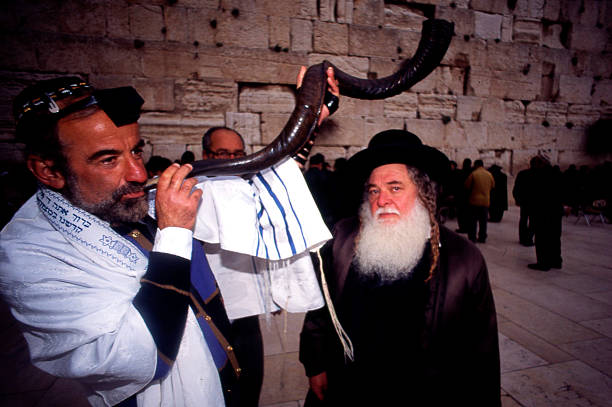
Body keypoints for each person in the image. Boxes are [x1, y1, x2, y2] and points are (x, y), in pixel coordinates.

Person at [1, 68, 340, 406]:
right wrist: (175, 231)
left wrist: (310, 116)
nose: (137, 173)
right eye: (108, 160)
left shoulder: (139, 199)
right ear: (48, 170)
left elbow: (256, 194)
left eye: (136, 151)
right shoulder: (31, 255)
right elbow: (135, 357)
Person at [299, 130, 501, 406]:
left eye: (395, 188)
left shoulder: (464, 259)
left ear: (423, 192)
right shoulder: (343, 239)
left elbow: (482, 351)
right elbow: (320, 309)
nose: (382, 201)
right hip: (349, 387)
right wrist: (316, 363)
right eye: (374, 190)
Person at [200, 125, 263, 407]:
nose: (232, 161)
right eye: (223, 154)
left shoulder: (251, 189)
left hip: (247, 312)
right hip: (209, 313)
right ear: (206, 155)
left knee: (250, 383)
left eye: (238, 154)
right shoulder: (192, 193)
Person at [527, 156, 564, 271]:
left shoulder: (539, 176)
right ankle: (556, 260)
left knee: (542, 238)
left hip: (542, 212)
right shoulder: (557, 174)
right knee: (554, 237)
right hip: (556, 211)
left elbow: (535, 194)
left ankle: (543, 263)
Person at [464, 159, 495, 243]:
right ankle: (482, 237)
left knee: (473, 221)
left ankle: (472, 237)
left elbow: (467, 186)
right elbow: (492, 186)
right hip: (485, 201)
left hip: (474, 201)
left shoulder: (474, 174)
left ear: (476, 165)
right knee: (483, 221)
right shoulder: (489, 174)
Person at [304, 153, 333, 227]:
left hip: (308, 210)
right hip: (324, 211)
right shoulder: (326, 176)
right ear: (320, 164)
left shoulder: (304, 176)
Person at [512, 158, 536, 246]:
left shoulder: (522, 174)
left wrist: (517, 199)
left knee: (523, 220)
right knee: (533, 221)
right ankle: (528, 238)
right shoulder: (540, 175)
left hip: (524, 202)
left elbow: (516, 188)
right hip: (534, 202)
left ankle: (522, 238)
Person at [454, 157, 472, 233]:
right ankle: (468, 228)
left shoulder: (460, 173)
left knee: (461, 214)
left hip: (461, 197)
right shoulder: (472, 173)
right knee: (469, 214)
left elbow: (457, 185)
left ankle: (462, 228)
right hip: (470, 196)